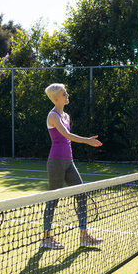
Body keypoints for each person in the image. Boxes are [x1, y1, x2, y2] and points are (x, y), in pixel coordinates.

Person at [41, 83, 103, 249]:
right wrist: (87, 140)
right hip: (55, 162)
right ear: (56, 98)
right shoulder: (53, 116)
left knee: (81, 194)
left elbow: (67, 138)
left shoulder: (66, 116)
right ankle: (46, 238)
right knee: (53, 200)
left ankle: (84, 236)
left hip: (69, 162)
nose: (67, 94)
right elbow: (67, 135)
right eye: (64, 93)